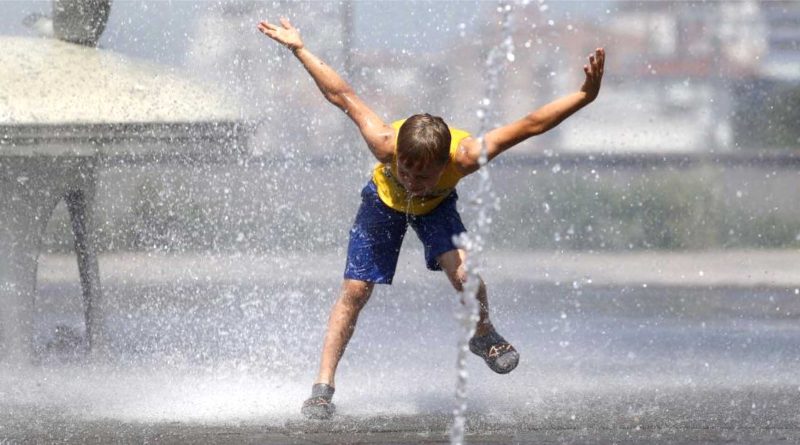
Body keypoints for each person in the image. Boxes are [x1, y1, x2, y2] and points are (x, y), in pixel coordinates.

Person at [257, 17, 605, 420]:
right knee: (355, 291)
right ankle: (322, 387)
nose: (413, 181)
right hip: (382, 204)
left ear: (444, 164)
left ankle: (483, 335)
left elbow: (529, 125)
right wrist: (300, 48)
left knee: (465, 275)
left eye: (424, 175)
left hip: (438, 209)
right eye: (406, 171)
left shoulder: (467, 156)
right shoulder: (385, 143)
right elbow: (342, 95)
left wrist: (584, 96)